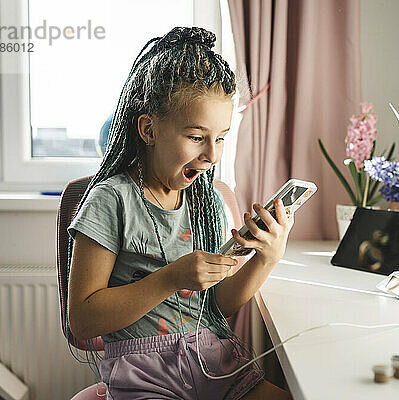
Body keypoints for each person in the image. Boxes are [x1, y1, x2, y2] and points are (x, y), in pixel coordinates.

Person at [66, 27, 294, 400]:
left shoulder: (208, 204)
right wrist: (171, 278)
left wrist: (267, 258)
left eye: (220, 137)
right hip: (144, 377)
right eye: (196, 136)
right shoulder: (111, 202)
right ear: (149, 129)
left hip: (217, 367)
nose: (212, 155)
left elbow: (218, 305)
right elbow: (83, 319)